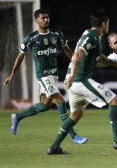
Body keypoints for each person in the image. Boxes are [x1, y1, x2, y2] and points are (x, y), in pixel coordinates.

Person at [47, 10, 117, 155]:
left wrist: (115, 64)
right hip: (80, 80)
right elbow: (77, 55)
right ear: (103, 24)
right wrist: (72, 76)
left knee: (76, 115)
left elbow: (98, 59)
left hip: (74, 83)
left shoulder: (89, 34)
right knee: (114, 100)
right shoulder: (93, 37)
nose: (108, 26)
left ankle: (54, 146)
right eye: (107, 23)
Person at [3, 9, 87, 144]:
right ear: (36, 20)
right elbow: (20, 56)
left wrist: (75, 63)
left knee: (44, 106)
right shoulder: (31, 38)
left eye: (47, 17)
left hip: (53, 74)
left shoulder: (57, 34)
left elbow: (66, 49)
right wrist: (12, 74)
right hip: (43, 76)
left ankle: (17, 116)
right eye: (43, 18)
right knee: (60, 100)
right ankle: (72, 135)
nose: (46, 20)